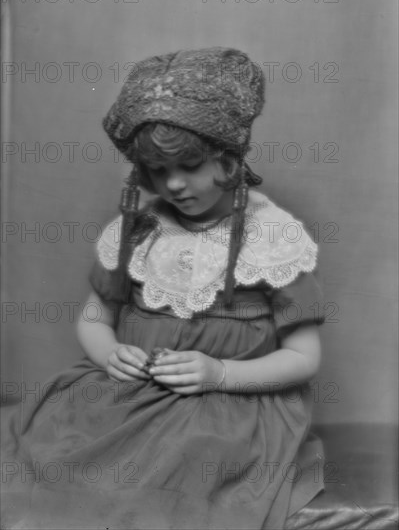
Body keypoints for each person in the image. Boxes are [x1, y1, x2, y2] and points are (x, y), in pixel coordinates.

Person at [1, 47, 325, 530]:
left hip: (226, 405)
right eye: (155, 170)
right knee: (57, 452)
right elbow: (96, 315)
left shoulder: (271, 237)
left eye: (190, 166)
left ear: (228, 159)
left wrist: (219, 373)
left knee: (184, 471)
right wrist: (108, 351)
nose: (173, 184)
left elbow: (304, 359)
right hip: (131, 391)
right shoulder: (139, 229)